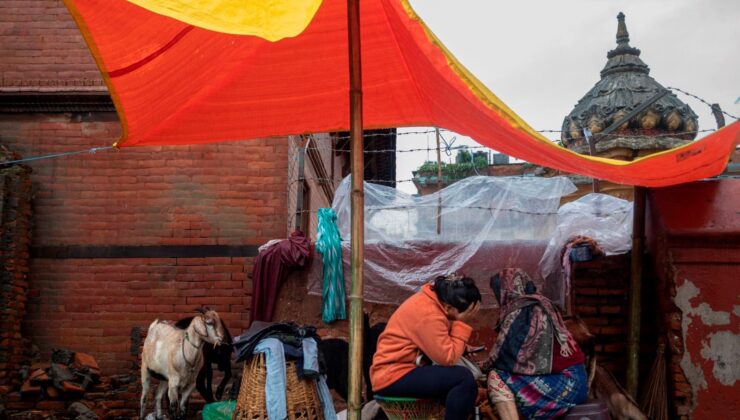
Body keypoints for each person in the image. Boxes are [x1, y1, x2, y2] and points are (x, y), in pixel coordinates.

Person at [370, 274, 482, 420]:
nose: (469, 317)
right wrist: (463, 324)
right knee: (463, 378)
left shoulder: (432, 303)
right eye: (467, 314)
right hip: (393, 375)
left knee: (467, 389)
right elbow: (448, 358)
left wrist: (462, 346)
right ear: (449, 307)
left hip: (404, 371)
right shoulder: (428, 313)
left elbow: (434, 340)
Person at [482, 268, 588, 419]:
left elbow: (502, 356)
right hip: (578, 382)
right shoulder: (541, 303)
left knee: (496, 377)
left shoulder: (521, 310)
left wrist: (484, 368)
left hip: (564, 385)